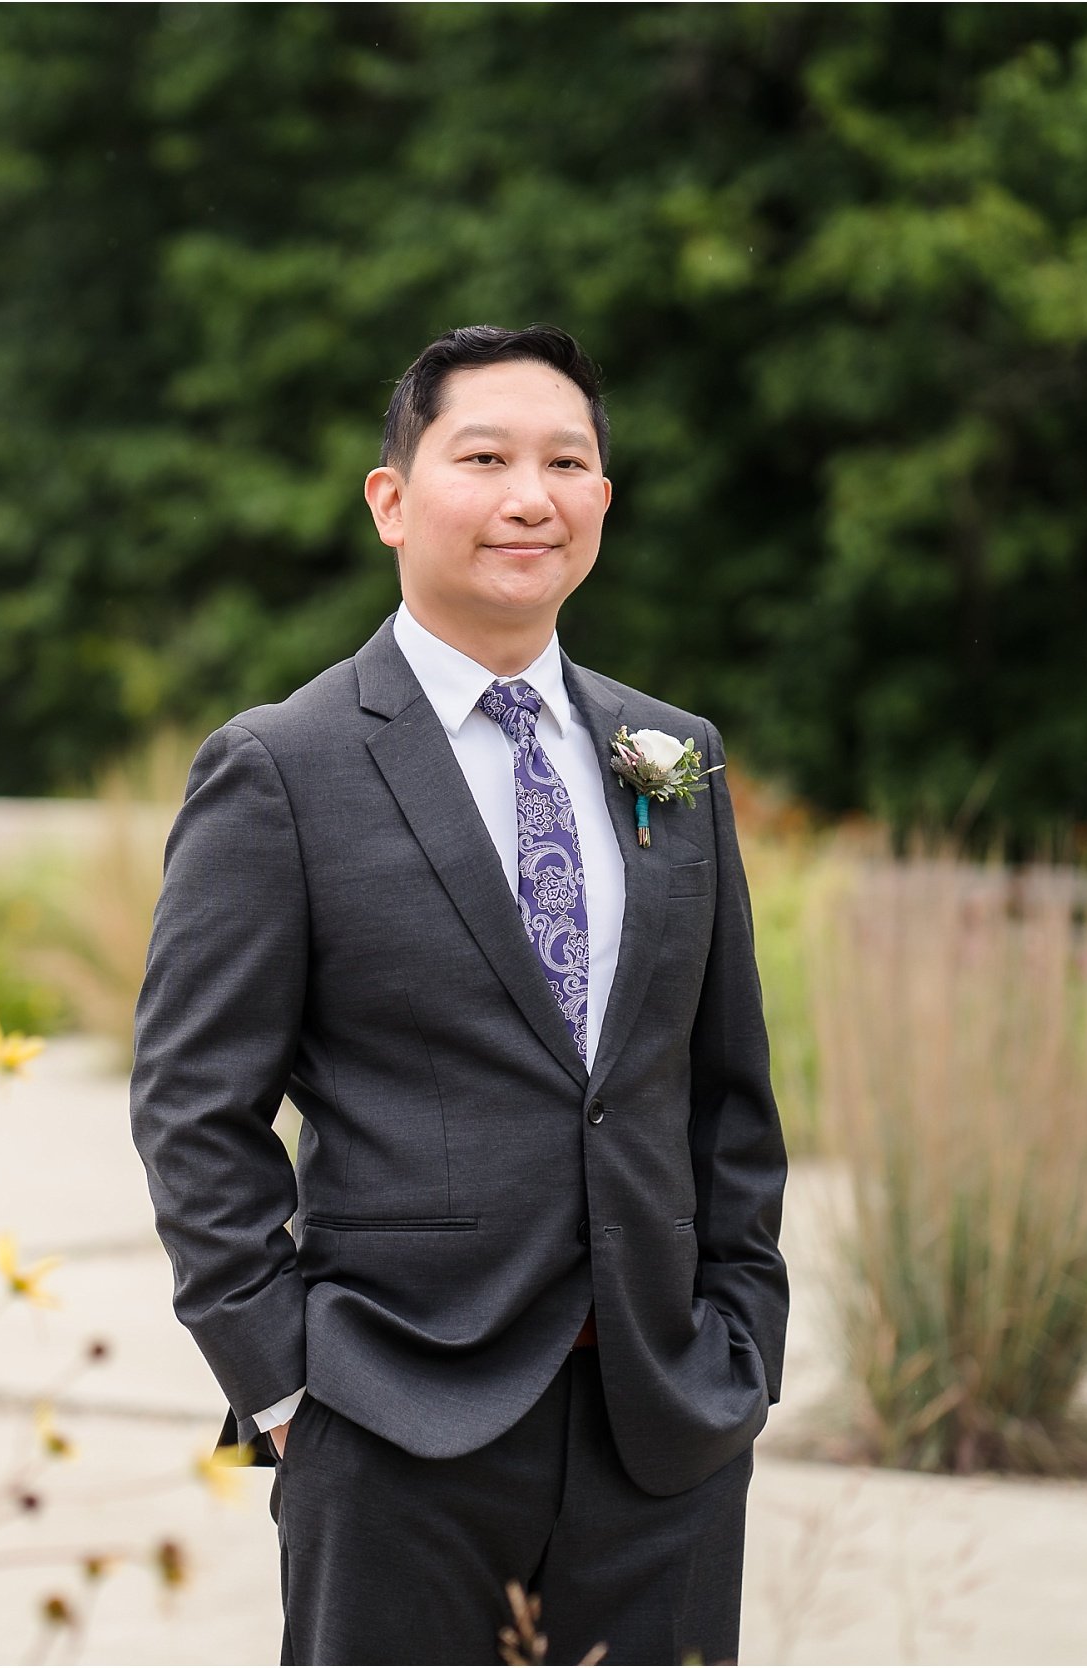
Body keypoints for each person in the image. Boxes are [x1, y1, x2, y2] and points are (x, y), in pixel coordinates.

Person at [129, 326, 787, 1665]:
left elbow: (724, 1090)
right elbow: (194, 1109)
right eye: (482, 458)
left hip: (663, 1421)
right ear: (393, 499)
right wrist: (288, 1385)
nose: (529, 496)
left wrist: (741, 1343)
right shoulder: (281, 768)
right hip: (394, 1424)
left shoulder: (671, 756)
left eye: (568, 461)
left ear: (604, 497)